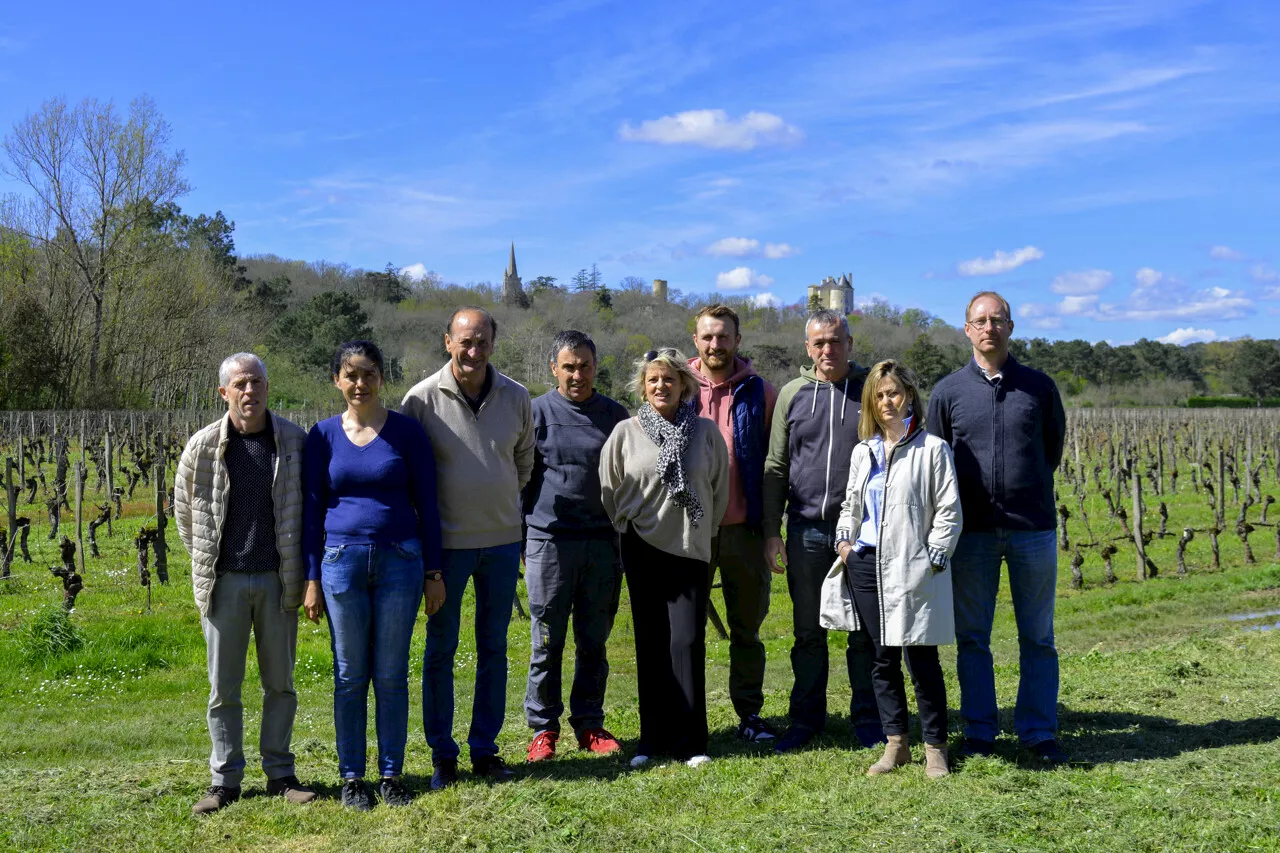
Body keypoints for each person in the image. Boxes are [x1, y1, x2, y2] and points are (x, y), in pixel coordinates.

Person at [927, 291, 1068, 764]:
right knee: (973, 638)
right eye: (980, 321)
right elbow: (935, 460)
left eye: (997, 320)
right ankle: (981, 731)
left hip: (1033, 529)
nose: (989, 327)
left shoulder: (1039, 387)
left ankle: (1038, 731)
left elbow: (1052, 449)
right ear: (966, 329)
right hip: (972, 534)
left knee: (1038, 637)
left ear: (1011, 327)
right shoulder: (947, 393)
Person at [302, 340, 443, 810]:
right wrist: (311, 578)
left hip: (401, 560)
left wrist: (434, 571)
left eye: (368, 373)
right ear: (337, 381)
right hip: (340, 562)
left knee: (390, 673)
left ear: (382, 377)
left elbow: (428, 503)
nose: (359, 383)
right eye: (350, 374)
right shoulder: (321, 437)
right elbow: (311, 511)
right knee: (348, 674)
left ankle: (391, 773)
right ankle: (350, 776)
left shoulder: (407, 433)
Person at [175, 353, 316, 815]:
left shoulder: (294, 441)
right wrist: (207, 562)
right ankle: (225, 780)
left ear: (267, 386)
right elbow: (184, 513)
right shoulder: (201, 446)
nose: (249, 391)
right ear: (224, 393)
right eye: (240, 384)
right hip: (225, 583)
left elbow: (310, 508)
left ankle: (280, 773)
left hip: (279, 581)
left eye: (256, 382)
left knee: (281, 683)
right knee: (223, 688)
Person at [401, 306, 535, 788]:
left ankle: (485, 748)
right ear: (447, 342)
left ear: (492, 344)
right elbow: (412, 477)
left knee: (493, 649)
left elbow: (523, 463)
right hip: (447, 549)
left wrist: (495, 500)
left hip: (501, 543)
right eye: (465, 342)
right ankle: (443, 753)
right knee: (441, 648)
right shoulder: (419, 400)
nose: (473, 351)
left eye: (481, 342)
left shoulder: (517, 396)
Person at [600, 348, 729, 768]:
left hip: (691, 547)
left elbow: (718, 489)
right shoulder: (625, 432)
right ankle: (650, 741)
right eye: (653, 380)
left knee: (687, 643)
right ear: (643, 386)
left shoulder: (706, 433)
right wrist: (628, 521)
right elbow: (609, 487)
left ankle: (692, 742)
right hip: (641, 545)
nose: (661, 386)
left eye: (670, 380)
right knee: (651, 643)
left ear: (685, 386)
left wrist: (706, 532)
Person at [762, 309, 884, 753]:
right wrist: (771, 531)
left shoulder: (872, 390)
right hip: (806, 529)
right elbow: (776, 466)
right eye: (819, 343)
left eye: (835, 341)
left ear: (850, 344)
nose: (827, 350)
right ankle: (805, 720)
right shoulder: (793, 394)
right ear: (807, 348)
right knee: (808, 632)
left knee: (865, 633)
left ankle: (869, 720)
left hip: (864, 533)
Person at [834, 361, 962, 779]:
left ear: (908, 395)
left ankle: (935, 748)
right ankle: (896, 745)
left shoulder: (933, 449)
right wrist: (844, 543)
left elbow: (948, 510)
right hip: (867, 565)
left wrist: (934, 557)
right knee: (882, 658)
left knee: (921, 657)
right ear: (871, 401)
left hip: (913, 566)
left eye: (894, 393)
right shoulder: (864, 452)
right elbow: (851, 505)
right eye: (879, 394)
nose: (887, 401)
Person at [521, 330, 630, 763]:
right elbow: (521, 479)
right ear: (554, 369)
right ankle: (542, 729)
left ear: (595, 366)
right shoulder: (535, 414)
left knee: (594, 641)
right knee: (547, 641)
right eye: (568, 366)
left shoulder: (615, 415)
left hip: (604, 543)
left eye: (584, 366)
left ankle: (589, 723)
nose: (577, 374)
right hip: (549, 542)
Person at [689, 304, 779, 743]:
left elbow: (774, 466)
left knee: (747, 631)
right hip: (688, 533)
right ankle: (688, 716)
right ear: (696, 341)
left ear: (737, 341)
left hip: (743, 530)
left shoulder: (762, 393)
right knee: (686, 630)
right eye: (708, 337)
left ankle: (749, 715)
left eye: (724, 337)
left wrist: (770, 531)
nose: (715, 345)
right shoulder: (675, 385)